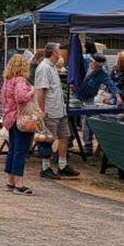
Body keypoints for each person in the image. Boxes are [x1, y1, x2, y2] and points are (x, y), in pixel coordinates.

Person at [33, 42, 77, 181]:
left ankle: (62, 165)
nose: (61, 54)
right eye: (59, 51)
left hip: (59, 109)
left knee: (64, 136)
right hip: (50, 110)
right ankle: (45, 167)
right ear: (54, 53)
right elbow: (40, 90)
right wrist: (41, 110)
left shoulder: (53, 67)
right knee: (48, 139)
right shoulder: (44, 68)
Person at [1, 54, 36, 196]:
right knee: (21, 151)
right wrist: (32, 91)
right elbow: (21, 98)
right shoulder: (21, 81)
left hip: (10, 118)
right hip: (21, 118)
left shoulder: (7, 81)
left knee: (13, 150)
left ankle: (10, 181)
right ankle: (19, 184)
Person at [77, 53, 120, 154]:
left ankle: (88, 145)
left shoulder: (102, 73)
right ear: (93, 61)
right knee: (71, 120)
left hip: (89, 98)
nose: (98, 67)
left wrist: (117, 96)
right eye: (97, 65)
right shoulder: (85, 62)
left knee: (87, 120)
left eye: (100, 66)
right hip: (76, 94)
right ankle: (69, 140)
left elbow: (110, 84)